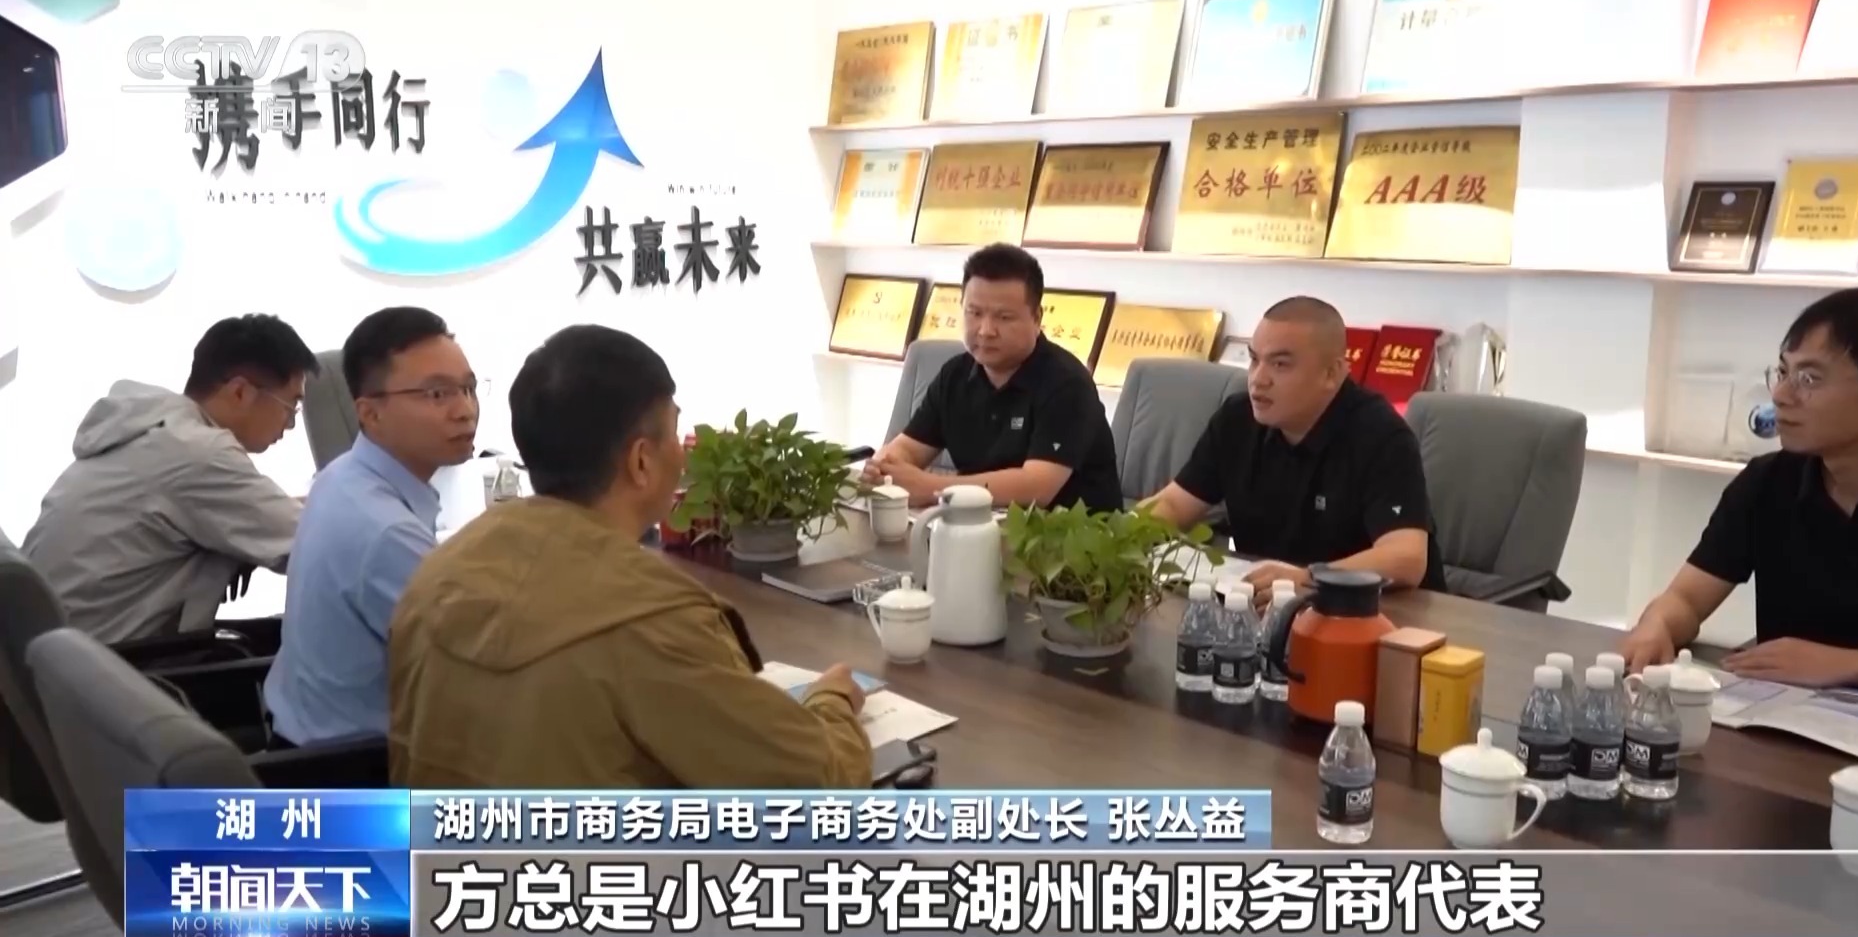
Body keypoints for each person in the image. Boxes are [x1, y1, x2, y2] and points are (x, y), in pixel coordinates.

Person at [388, 324, 871, 787]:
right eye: (675, 433)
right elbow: (815, 784)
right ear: (641, 461)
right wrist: (830, 702)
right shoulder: (654, 620)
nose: (683, 456)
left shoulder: (437, 574)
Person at [1621, 288, 1858, 698]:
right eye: (1782, 372)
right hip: (1780, 715)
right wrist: (1657, 624)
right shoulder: (1768, 481)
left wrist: (1843, 665)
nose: (1780, 395)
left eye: (1809, 379)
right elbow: (1686, 599)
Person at [22, 315, 315, 643]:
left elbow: (263, 513)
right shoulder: (200, 453)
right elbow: (319, 542)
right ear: (240, 392)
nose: (290, 424)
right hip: (112, 663)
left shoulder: (151, 431)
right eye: (291, 405)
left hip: (50, 655)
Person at [264, 307, 479, 745]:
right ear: (370, 413)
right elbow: (486, 665)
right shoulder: (385, 532)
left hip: (298, 726)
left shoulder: (341, 476)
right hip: (355, 766)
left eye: (468, 389)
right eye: (437, 394)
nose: (465, 411)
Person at [1142, 297, 1445, 601]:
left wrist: (1308, 579)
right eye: (1254, 360)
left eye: (1280, 364)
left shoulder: (1381, 435)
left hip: (1382, 613)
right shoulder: (1237, 419)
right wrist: (1121, 537)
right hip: (1269, 606)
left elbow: (1406, 558)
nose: (1258, 379)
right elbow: (1174, 504)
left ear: (1331, 374)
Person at [864, 243, 1122, 511]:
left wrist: (932, 488)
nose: (986, 330)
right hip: (977, 523)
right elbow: (908, 448)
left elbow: (1036, 487)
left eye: (1004, 317)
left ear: (1036, 318)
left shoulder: (1068, 384)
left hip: (1067, 533)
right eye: (974, 313)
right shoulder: (954, 375)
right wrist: (885, 467)